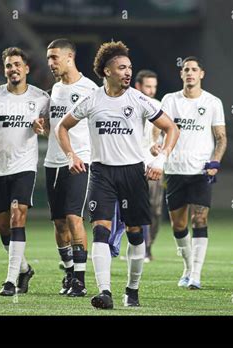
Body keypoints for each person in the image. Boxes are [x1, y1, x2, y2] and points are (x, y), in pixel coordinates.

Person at [56, 40, 179, 309]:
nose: (127, 72)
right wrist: (71, 155)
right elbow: (62, 128)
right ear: (106, 71)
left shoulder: (139, 100)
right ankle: (105, 292)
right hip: (101, 174)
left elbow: (171, 128)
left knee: (136, 235)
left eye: (129, 68)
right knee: (101, 230)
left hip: (133, 174)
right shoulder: (92, 100)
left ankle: (132, 289)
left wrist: (161, 158)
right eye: (121, 67)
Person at [0, 47, 50, 296]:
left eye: (17, 64)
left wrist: (42, 128)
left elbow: (50, 129)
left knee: (18, 215)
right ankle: (25, 268)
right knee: (2, 225)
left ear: (26, 68)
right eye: (8, 65)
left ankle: (10, 280)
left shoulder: (41, 98)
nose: (13, 69)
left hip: (24, 167)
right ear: (4, 69)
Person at [34, 38, 97, 297]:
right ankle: (69, 273)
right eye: (49, 58)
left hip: (80, 161)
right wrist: (42, 128)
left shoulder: (90, 89)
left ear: (69, 57)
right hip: (53, 162)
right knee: (59, 223)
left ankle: (80, 281)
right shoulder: (55, 90)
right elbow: (53, 127)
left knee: (74, 217)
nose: (50, 63)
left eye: (54, 58)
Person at [160, 56, 227, 289]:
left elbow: (220, 137)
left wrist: (215, 162)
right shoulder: (169, 100)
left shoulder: (212, 102)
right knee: (178, 225)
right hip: (174, 170)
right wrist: (157, 151)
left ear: (202, 74)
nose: (189, 73)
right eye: (186, 69)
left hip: (201, 171)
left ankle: (196, 275)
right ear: (181, 75)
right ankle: (188, 267)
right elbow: (159, 130)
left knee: (199, 218)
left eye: (194, 69)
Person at [134, 69, 163, 262]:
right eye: (148, 86)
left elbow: (160, 132)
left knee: (155, 209)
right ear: (138, 86)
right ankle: (138, 246)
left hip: (153, 164)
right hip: (133, 163)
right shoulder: (130, 103)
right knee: (135, 207)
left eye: (154, 87)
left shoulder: (158, 105)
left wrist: (156, 148)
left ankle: (148, 245)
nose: (151, 91)